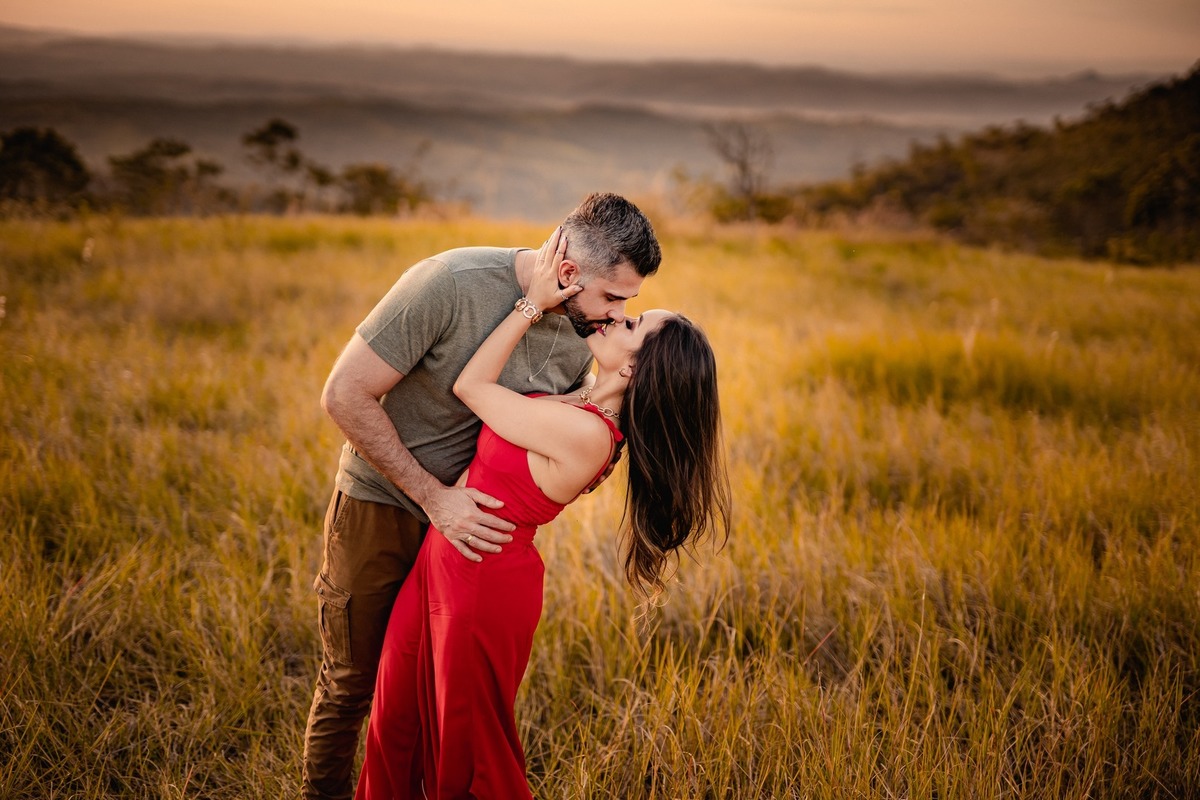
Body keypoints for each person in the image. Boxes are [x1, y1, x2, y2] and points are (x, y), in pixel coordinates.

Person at [303, 193, 663, 800]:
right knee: (353, 682)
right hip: (384, 506)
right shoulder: (451, 282)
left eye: (627, 303)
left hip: (472, 540)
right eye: (612, 297)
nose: (616, 315)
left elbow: (564, 418)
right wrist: (434, 497)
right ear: (568, 272)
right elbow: (344, 394)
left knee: (430, 698)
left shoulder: (585, 332)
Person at [354, 227, 732, 799]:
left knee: (472, 752)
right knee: (397, 724)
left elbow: (472, 387)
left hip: (480, 582)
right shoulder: (583, 407)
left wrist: (531, 303)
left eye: (631, 323)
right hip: (448, 560)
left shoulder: (586, 434)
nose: (615, 318)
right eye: (623, 309)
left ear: (634, 369)